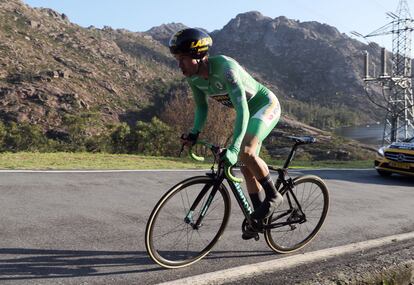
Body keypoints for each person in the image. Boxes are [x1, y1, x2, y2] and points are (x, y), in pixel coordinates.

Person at [169, 28, 283, 239]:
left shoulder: (226, 69)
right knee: (245, 166)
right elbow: (202, 108)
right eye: (177, 59)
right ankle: (258, 218)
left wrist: (233, 147)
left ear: (197, 55)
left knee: (245, 152)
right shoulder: (193, 79)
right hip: (248, 111)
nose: (179, 65)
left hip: (264, 106)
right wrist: (194, 133)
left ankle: (274, 196)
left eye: (182, 59)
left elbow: (243, 110)